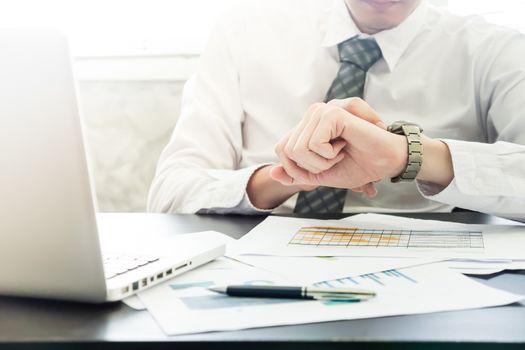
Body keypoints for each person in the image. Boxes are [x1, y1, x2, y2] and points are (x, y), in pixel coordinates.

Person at [148, 0, 525, 220]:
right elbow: (169, 193)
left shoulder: (494, 51)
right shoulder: (243, 32)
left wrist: (408, 155)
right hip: (260, 273)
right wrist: (289, 174)